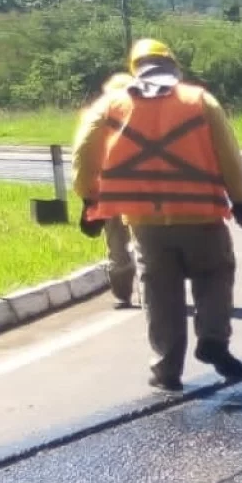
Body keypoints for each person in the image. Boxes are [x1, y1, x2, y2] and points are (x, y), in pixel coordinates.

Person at [73, 38, 242, 392]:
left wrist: (88, 198)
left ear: (134, 69)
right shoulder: (200, 101)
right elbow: (228, 153)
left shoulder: (112, 105)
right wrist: (240, 199)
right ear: (173, 66)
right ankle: (213, 338)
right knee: (215, 275)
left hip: (146, 223)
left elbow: (84, 152)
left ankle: (166, 371)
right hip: (201, 216)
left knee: (159, 294)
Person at [77, 71, 140, 308]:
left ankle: (123, 291)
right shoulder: (144, 111)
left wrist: (86, 191)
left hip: (109, 187)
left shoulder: (100, 114)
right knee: (145, 238)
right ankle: (151, 290)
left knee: (116, 240)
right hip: (141, 187)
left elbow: (84, 152)